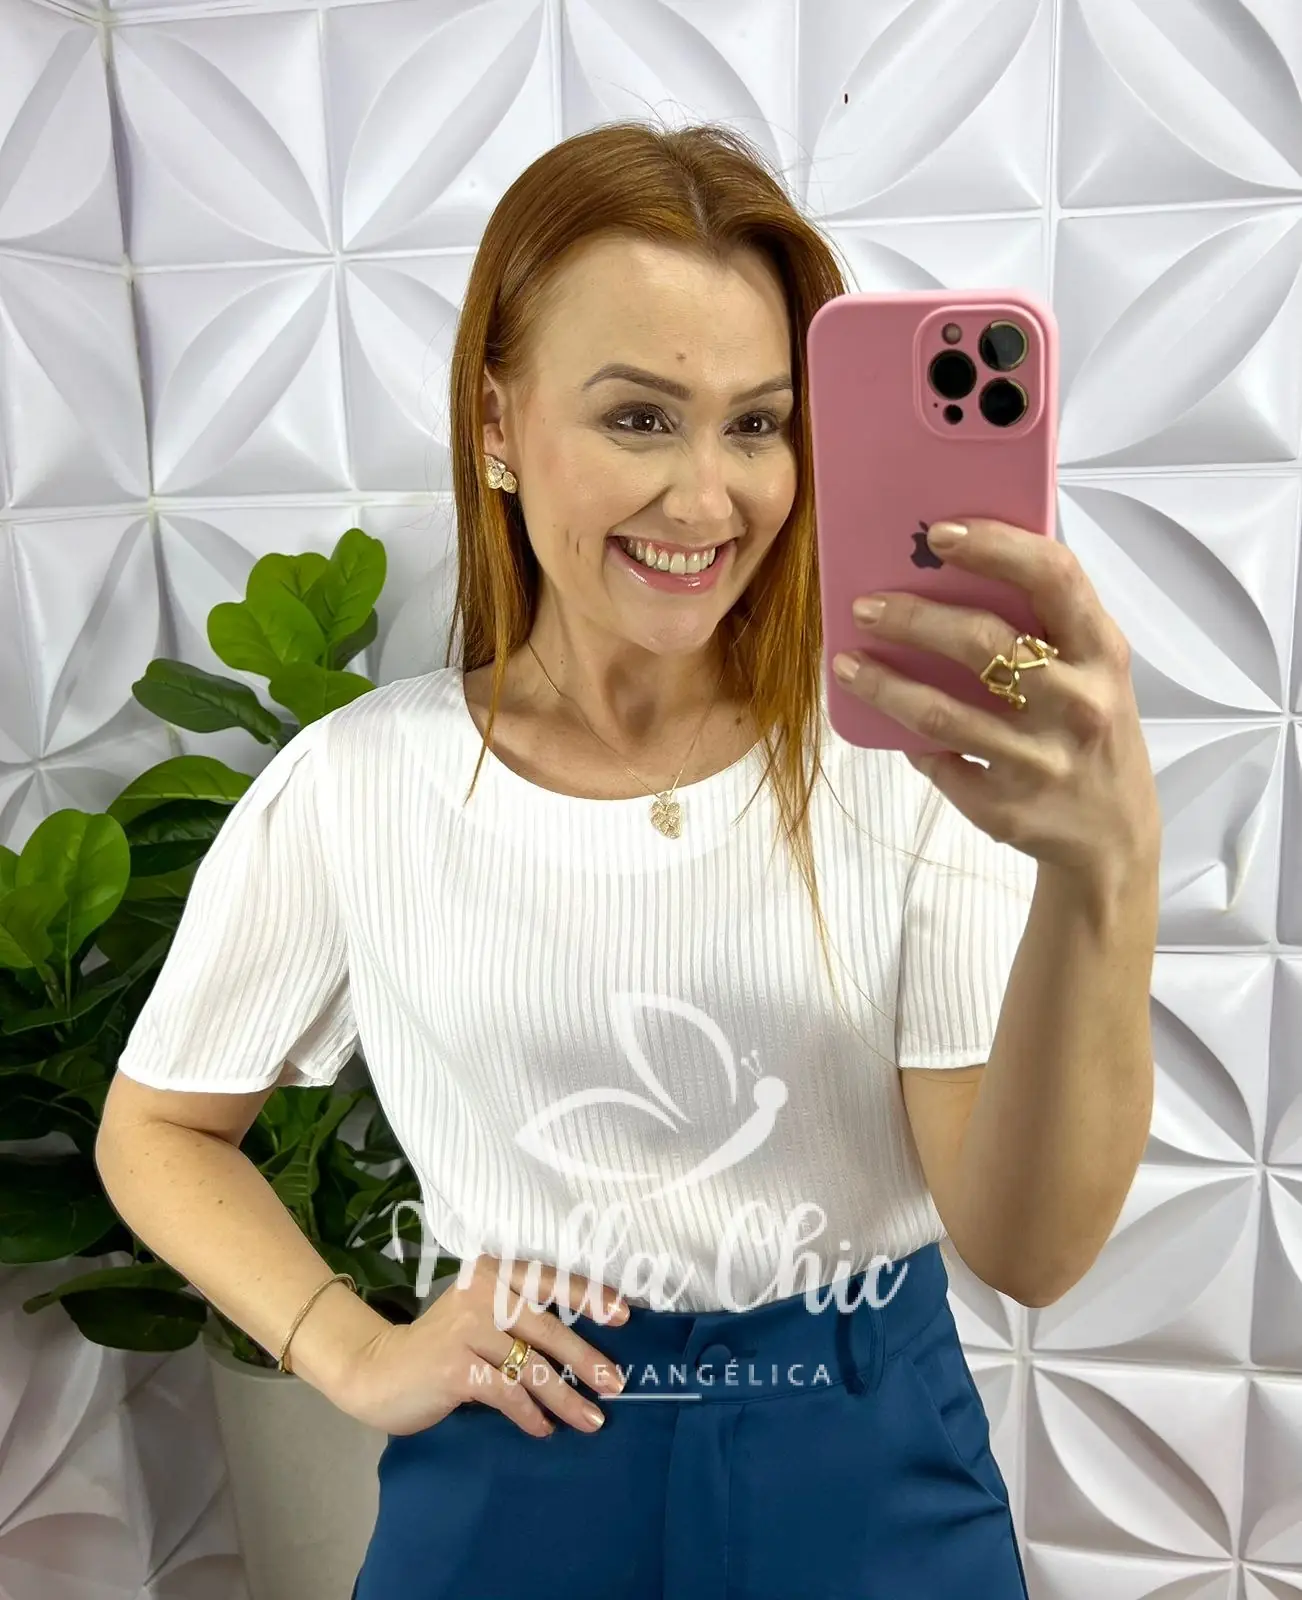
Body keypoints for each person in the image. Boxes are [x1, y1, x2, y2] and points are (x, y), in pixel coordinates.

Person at [97, 120, 1160, 1600]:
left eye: (758, 424)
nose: (707, 500)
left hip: (862, 1454)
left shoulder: (905, 768)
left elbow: (1027, 1251)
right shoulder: (358, 784)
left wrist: (1109, 871)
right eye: (641, 419)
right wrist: (349, 1350)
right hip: (517, 1457)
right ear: (496, 420)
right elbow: (157, 1126)